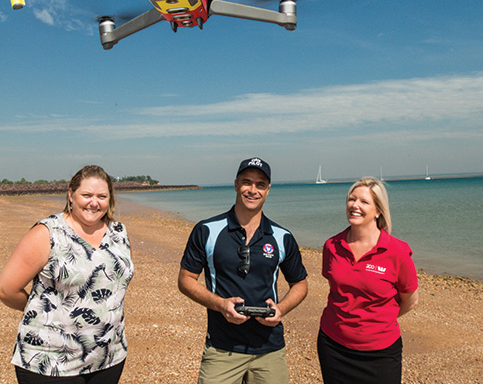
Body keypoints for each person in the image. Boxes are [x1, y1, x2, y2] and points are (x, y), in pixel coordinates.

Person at [0, 165, 134, 384]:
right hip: (51, 362)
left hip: (108, 357)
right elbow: (5, 289)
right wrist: (45, 310)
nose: (94, 202)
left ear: (110, 199)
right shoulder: (48, 233)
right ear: (71, 194)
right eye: (86, 195)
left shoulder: (119, 233)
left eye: (101, 196)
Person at [178, 157, 308, 384]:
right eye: (247, 182)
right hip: (222, 348)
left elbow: (300, 283)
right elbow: (185, 279)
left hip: (269, 349)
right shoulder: (207, 230)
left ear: (268, 189)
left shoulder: (281, 236)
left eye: (260, 184)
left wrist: (281, 310)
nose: (252, 190)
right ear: (236, 184)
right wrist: (221, 305)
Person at [317, 177, 419, 384]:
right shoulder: (332, 246)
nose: (355, 205)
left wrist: (378, 322)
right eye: (351, 199)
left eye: (364, 201)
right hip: (333, 345)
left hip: (380, 353)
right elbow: (339, 291)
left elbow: (410, 300)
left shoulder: (397, 251)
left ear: (378, 210)